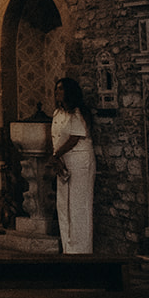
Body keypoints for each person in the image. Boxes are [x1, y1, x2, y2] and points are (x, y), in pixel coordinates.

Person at [50, 77, 95, 254]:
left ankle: (81, 250)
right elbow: (56, 137)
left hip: (79, 161)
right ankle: (68, 248)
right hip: (63, 161)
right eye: (56, 89)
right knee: (63, 205)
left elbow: (74, 138)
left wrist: (56, 155)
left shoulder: (77, 113)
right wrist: (57, 158)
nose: (57, 92)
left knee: (78, 205)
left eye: (61, 89)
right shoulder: (58, 114)